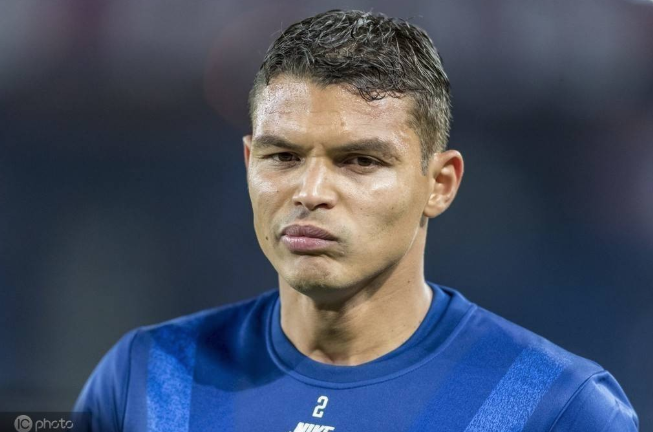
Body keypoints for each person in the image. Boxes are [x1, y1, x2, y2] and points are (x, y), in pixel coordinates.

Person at [74, 9, 639, 431]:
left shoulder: (556, 407)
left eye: (360, 161)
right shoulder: (146, 377)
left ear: (439, 184)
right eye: (283, 157)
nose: (310, 192)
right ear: (248, 163)